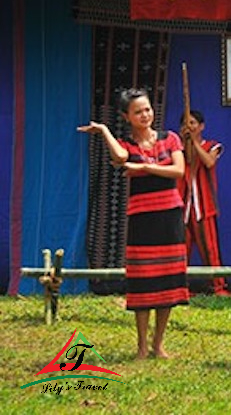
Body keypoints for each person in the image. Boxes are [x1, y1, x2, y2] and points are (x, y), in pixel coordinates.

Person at [78, 88, 188, 359]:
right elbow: (120, 158)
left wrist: (145, 169)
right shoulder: (126, 143)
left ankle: (158, 344)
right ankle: (141, 346)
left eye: (147, 109)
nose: (145, 115)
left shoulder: (170, 138)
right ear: (126, 116)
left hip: (170, 216)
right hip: (142, 218)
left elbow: (179, 171)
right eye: (137, 111)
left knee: (168, 279)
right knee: (143, 280)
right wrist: (104, 130)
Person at [179, 109, 229, 296]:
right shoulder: (177, 148)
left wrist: (194, 142)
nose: (189, 126)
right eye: (185, 123)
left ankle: (218, 286)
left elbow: (209, 162)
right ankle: (180, 287)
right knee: (181, 247)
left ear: (201, 126)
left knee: (210, 248)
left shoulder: (212, 146)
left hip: (204, 205)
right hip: (182, 204)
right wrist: (185, 143)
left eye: (193, 123)